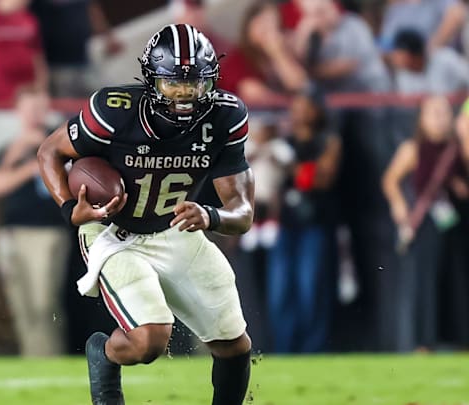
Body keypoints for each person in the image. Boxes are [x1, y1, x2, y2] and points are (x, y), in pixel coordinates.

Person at [38, 24, 254, 405]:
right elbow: (49, 153)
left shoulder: (226, 116)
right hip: (115, 233)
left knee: (234, 344)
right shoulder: (113, 111)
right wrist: (72, 209)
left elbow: (243, 211)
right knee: (150, 339)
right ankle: (103, 355)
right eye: (174, 86)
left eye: (195, 86)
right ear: (152, 80)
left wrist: (210, 216)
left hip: (175, 229)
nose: (185, 98)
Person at [0, 89, 71, 356]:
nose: (33, 116)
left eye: (38, 109)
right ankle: (33, 359)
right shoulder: (10, 150)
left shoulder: (61, 145)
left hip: (47, 233)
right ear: (18, 113)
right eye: (28, 110)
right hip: (11, 233)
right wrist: (21, 156)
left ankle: (49, 358)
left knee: (44, 303)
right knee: (20, 304)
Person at [381, 95, 465, 351]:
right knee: (425, 282)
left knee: (459, 282)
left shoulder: (458, 147)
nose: (440, 119)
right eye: (434, 113)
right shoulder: (413, 148)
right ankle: (424, 343)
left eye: (444, 113)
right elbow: (390, 180)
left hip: (458, 223)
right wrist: (399, 206)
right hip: (427, 223)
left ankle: (461, 339)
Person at [266, 85, 342, 353]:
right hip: (286, 224)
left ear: (317, 110)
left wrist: (290, 166)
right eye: (295, 107)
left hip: (316, 223)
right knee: (280, 291)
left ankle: (313, 348)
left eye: (305, 107)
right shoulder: (283, 141)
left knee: (311, 288)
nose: (298, 113)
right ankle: (285, 348)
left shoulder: (328, 140)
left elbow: (322, 178)